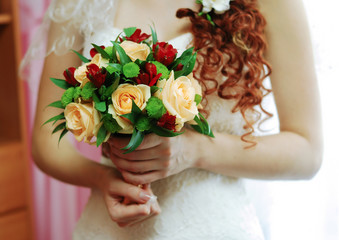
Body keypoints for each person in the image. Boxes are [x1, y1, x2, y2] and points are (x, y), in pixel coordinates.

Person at [28, 0, 323, 239]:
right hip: (110, 225)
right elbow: (45, 142)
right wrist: (104, 179)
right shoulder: (78, 3)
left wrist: (195, 150)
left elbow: (306, 150)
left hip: (214, 226)